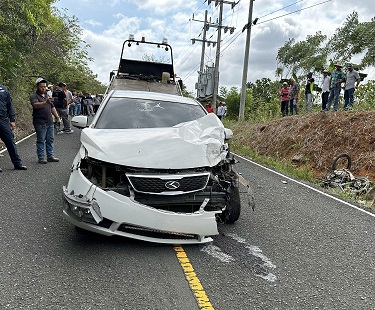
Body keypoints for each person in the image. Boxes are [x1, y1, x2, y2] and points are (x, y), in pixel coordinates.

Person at [30, 77, 60, 164]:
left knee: (50, 140)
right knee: (41, 140)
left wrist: (57, 117)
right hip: (40, 122)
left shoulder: (47, 96)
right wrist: (45, 102)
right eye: (41, 86)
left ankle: (50, 156)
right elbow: (35, 105)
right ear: (37, 86)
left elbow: (52, 107)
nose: (43, 88)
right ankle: (41, 157)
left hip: (49, 121)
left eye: (44, 86)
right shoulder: (34, 96)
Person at [0, 83, 27, 171]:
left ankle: (17, 164)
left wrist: (12, 119)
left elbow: (9, 104)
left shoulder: (4, 88)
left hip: (3, 119)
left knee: (10, 140)